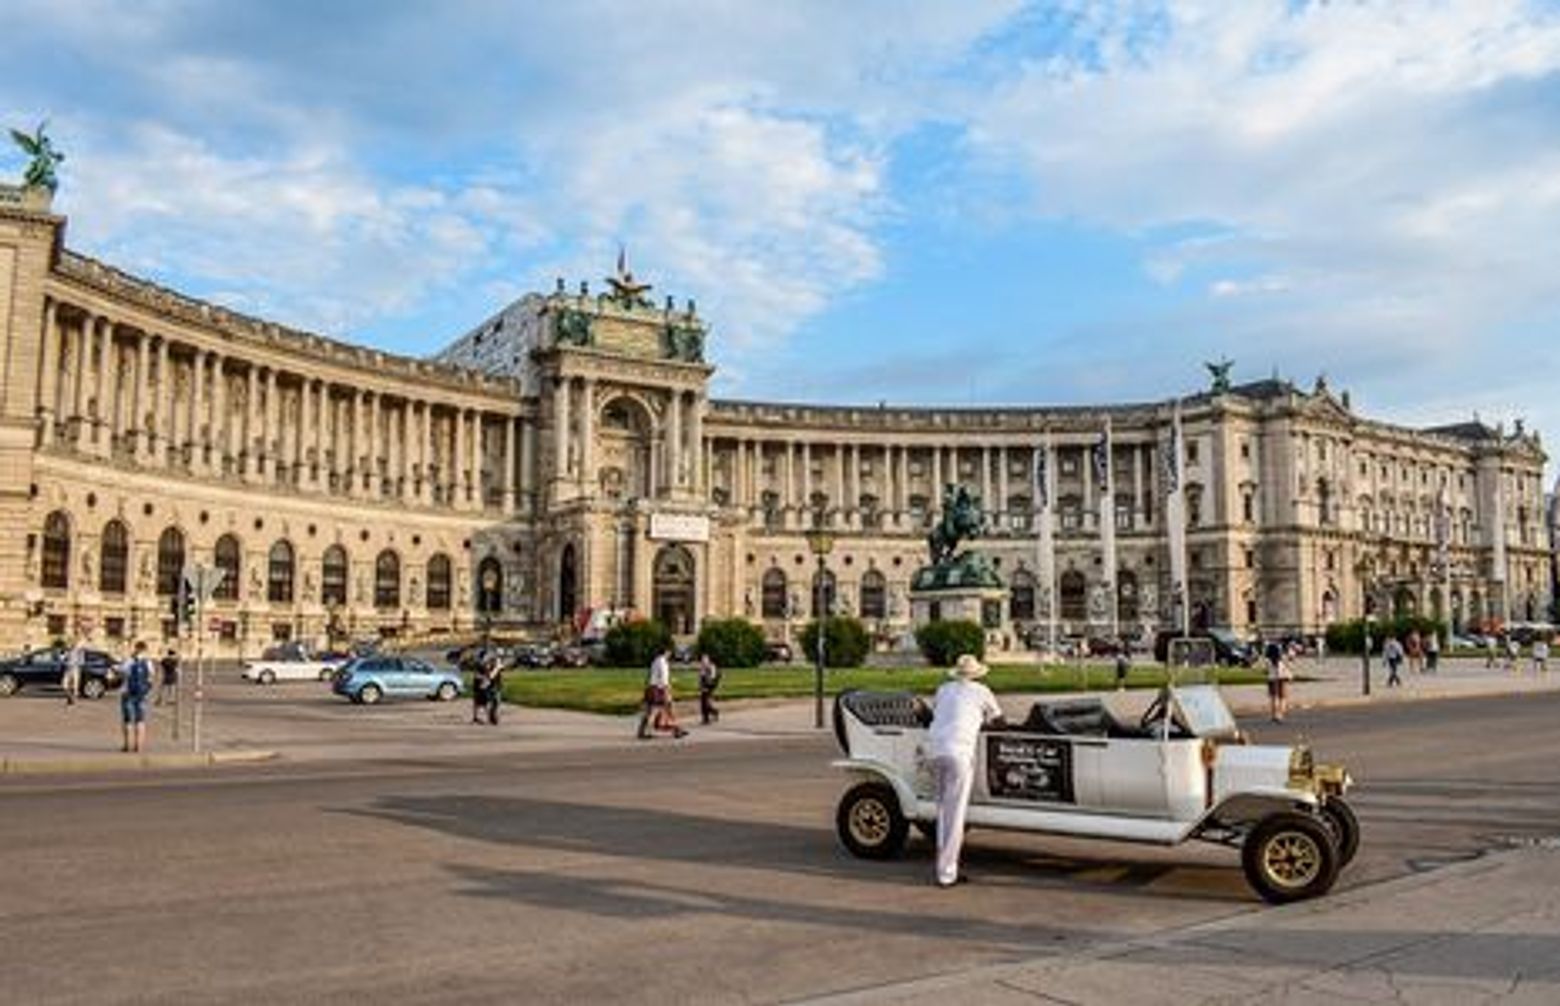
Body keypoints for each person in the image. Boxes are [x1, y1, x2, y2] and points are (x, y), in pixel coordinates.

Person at [928, 653, 1005, 888]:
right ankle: (947, 873)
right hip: (959, 753)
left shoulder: (943, 690)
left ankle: (943, 864)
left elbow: (939, 714)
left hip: (935, 749)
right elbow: (1000, 721)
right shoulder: (981, 691)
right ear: (976, 674)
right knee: (955, 814)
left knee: (943, 810)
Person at [637, 646, 687, 739]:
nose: (670, 654)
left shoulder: (655, 661)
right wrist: (667, 691)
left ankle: (641, 731)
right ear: (666, 652)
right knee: (669, 708)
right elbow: (664, 679)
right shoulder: (663, 662)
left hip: (651, 688)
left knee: (649, 710)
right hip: (658, 690)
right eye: (670, 652)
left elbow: (651, 676)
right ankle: (676, 730)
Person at [120, 641, 154, 753]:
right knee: (140, 720)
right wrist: (146, 690)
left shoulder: (129, 661)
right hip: (141, 694)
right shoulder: (148, 662)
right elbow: (150, 678)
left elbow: (123, 674)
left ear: (135, 648)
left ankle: (127, 745)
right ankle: (139, 746)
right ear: (145, 649)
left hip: (127, 693)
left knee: (127, 720)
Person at [1263, 639, 1290, 721]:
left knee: (1273, 697)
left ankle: (1274, 715)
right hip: (1282, 677)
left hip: (1272, 678)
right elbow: (1287, 666)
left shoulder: (1267, 660)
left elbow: (1266, 670)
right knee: (1282, 697)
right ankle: (1281, 714)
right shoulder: (1281, 659)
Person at [697, 653, 721, 725]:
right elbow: (700, 678)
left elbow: (712, 678)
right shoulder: (702, 668)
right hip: (704, 686)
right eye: (702, 659)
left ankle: (712, 714)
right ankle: (706, 717)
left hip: (710, 686)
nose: (703, 661)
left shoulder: (711, 667)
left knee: (706, 702)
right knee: (703, 702)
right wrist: (701, 686)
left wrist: (707, 686)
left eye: (705, 659)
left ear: (708, 660)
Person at [61, 636, 84, 706]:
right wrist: (65, 654)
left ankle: (72, 700)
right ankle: (70, 698)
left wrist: (77, 665)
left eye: (72, 642)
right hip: (68, 669)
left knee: (75, 686)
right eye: (70, 642)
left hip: (75, 669)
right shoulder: (67, 650)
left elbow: (82, 661)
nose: (71, 643)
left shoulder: (79, 651)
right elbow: (62, 658)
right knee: (64, 685)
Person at [483, 654, 504, 726]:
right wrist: (497, 668)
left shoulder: (496, 668)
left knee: (496, 703)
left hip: (497, 687)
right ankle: (492, 718)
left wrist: (498, 667)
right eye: (497, 661)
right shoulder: (491, 668)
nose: (499, 663)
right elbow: (491, 676)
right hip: (492, 687)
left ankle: (493, 718)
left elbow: (503, 667)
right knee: (494, 703)